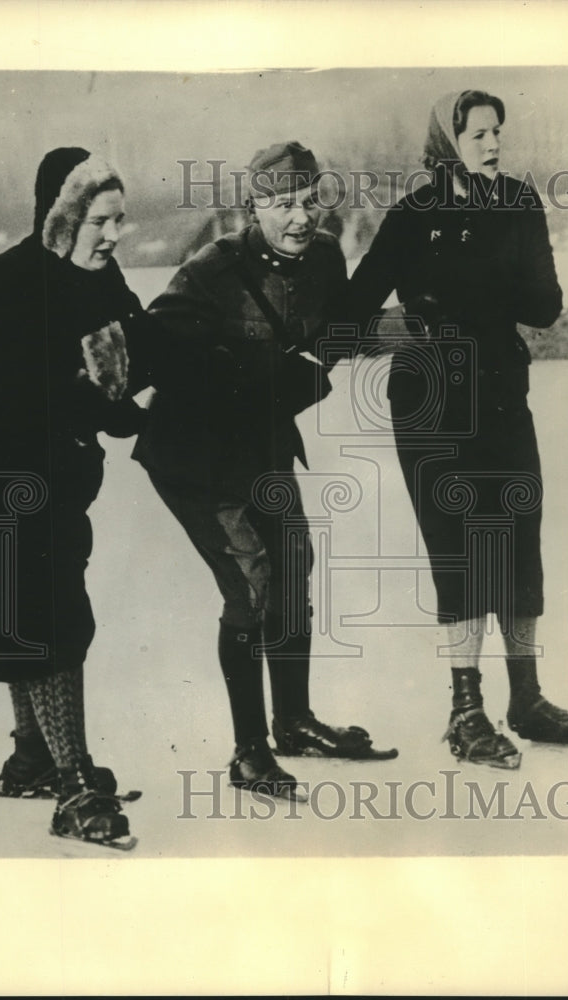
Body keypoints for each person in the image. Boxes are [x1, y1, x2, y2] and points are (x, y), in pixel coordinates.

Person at [345, 91, 568, 768]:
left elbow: (545, 307)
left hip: (498, 393)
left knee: (517, 539)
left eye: (498, 132)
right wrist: (400, 328)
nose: (492, 145)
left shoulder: (519, 204)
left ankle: (526, 699)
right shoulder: (412, 217)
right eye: (477, 136)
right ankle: (466, 712)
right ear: (447, 143)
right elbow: (345, 316)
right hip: (430, 402)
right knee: (461, 548)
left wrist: (498, 272)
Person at [133, 141, 397, 799]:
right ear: (253, 207)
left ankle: (295, 722)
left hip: (262, 444)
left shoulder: (328, 257)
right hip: (194, 452)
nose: (299, 217)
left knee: (292, 567)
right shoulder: (210, 272)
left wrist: (415, 328)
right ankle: (248, 753)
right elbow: (150, 355)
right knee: (250, 585)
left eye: (308, 200)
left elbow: (332, 334)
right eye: (281, 203)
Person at [0, 147, 145, 847]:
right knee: (46, 616)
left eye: (119, 221)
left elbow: (129, 373)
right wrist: (101, 400)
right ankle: (73, 784)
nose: (114, 237)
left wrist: (141, 396)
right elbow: (13, 403)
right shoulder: (7, 280)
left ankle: (32, 757)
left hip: (53, 469)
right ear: (61, 218)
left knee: (36, 612)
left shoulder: (104, 281)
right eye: (100, 222)